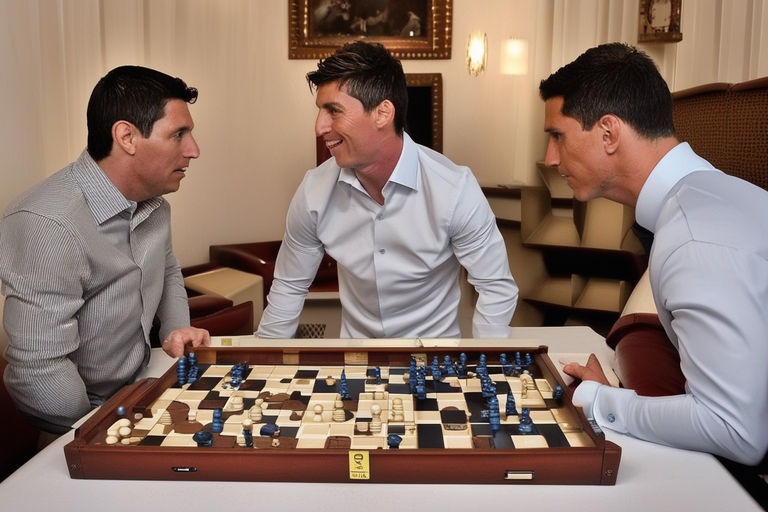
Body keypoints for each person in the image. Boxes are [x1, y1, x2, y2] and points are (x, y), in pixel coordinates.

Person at [539, 42, 768, 466]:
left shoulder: (693, 236)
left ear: (608, 132)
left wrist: (599, 400)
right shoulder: (712, 197)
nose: (550, 158)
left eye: (557, 136)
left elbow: (735, 430)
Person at [257, 41, 517, 339]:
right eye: (320, 111)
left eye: (333, 111)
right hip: (354, 364)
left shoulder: (454, 189)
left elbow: (496, 287)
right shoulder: (313, 191)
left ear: (382, 113)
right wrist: (262, 362)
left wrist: (488, 366)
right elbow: (289, 286)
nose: (319, 127)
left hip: (433, 365)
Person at [0, 65, 210, 433]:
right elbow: (39, 370)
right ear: (127, 137)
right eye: (179, 134)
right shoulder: (47, 223)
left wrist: (176, 330)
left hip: (142, 394)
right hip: (81, 425)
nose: (194, 150)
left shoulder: (156, 206)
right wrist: (99, 431)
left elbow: (168, 269)